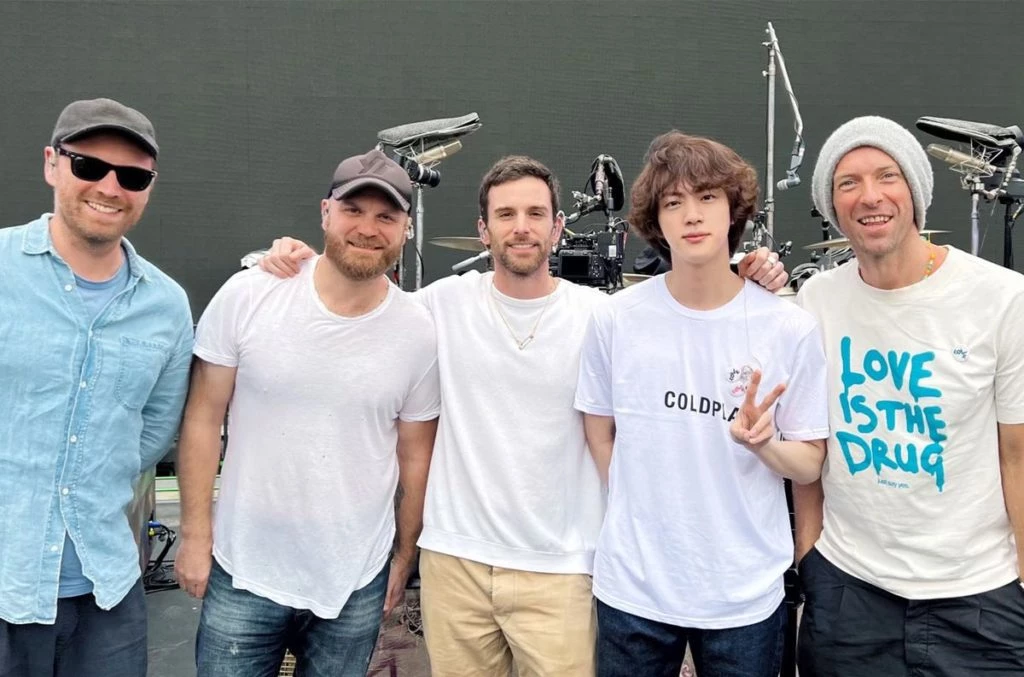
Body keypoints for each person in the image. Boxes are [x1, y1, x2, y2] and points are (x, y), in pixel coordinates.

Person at [259, 154, 789, 676]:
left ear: (557, 228)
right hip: (456, 564)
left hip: (562, 569)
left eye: (535, 214)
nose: (521, 228)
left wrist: (751, 273)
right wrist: (292, 260)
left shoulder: (604, 317)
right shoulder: (439, 306)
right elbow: (357, 290)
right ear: (483, 230)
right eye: (506, 214)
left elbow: (694, 312)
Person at [173, 149, 440, 676]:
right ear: (325, 212)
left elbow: (415, 457)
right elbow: (202, 418)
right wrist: (195, 535)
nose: (368, 228)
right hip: (244, 570)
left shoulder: (418, 331)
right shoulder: (252, 293)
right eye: (352, 210)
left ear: (406, 228)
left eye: (386, 216)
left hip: (354, 580)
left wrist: (403, 559)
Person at [574, 131, 828, 677]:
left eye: (708, 197)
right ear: (656, 221)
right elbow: (599, 429)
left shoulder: (789, 327)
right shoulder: (615, 319)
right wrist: (637, 504)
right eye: (673, 202)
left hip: (745, 591)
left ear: (733, 211)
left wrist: (765, 446)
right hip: (634, 587)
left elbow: (810, 462)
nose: (692, 215)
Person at [794, 115, 1024, 676]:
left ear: (915, 191)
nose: (870, 196)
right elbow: (809, 444)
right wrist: (810, 558)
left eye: (887, 176)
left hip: (979, 597)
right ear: (832, 204)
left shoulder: (1002, 299)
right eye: (848, 183)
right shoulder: (816, 300)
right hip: (849, 592)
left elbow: (1017, 454)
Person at [0, 98, 194, 677]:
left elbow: (153, 432)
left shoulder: (166, 306)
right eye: (89, 166)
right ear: (51, 164)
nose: (110, 188)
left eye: (132, 176)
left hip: (104, 590)